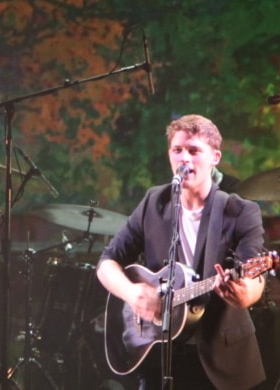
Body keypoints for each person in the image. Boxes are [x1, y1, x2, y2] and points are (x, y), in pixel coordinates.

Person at [96, 114, 268, 390]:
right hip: (158, 353)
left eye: (194, 151)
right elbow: (107, 262)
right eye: (177, 150)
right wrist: (132, 293)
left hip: (221, 358)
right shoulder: (155, 201)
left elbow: (253, 276)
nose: (184, 159)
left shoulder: (240, 211)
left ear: (215, 158)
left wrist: (244, 294)